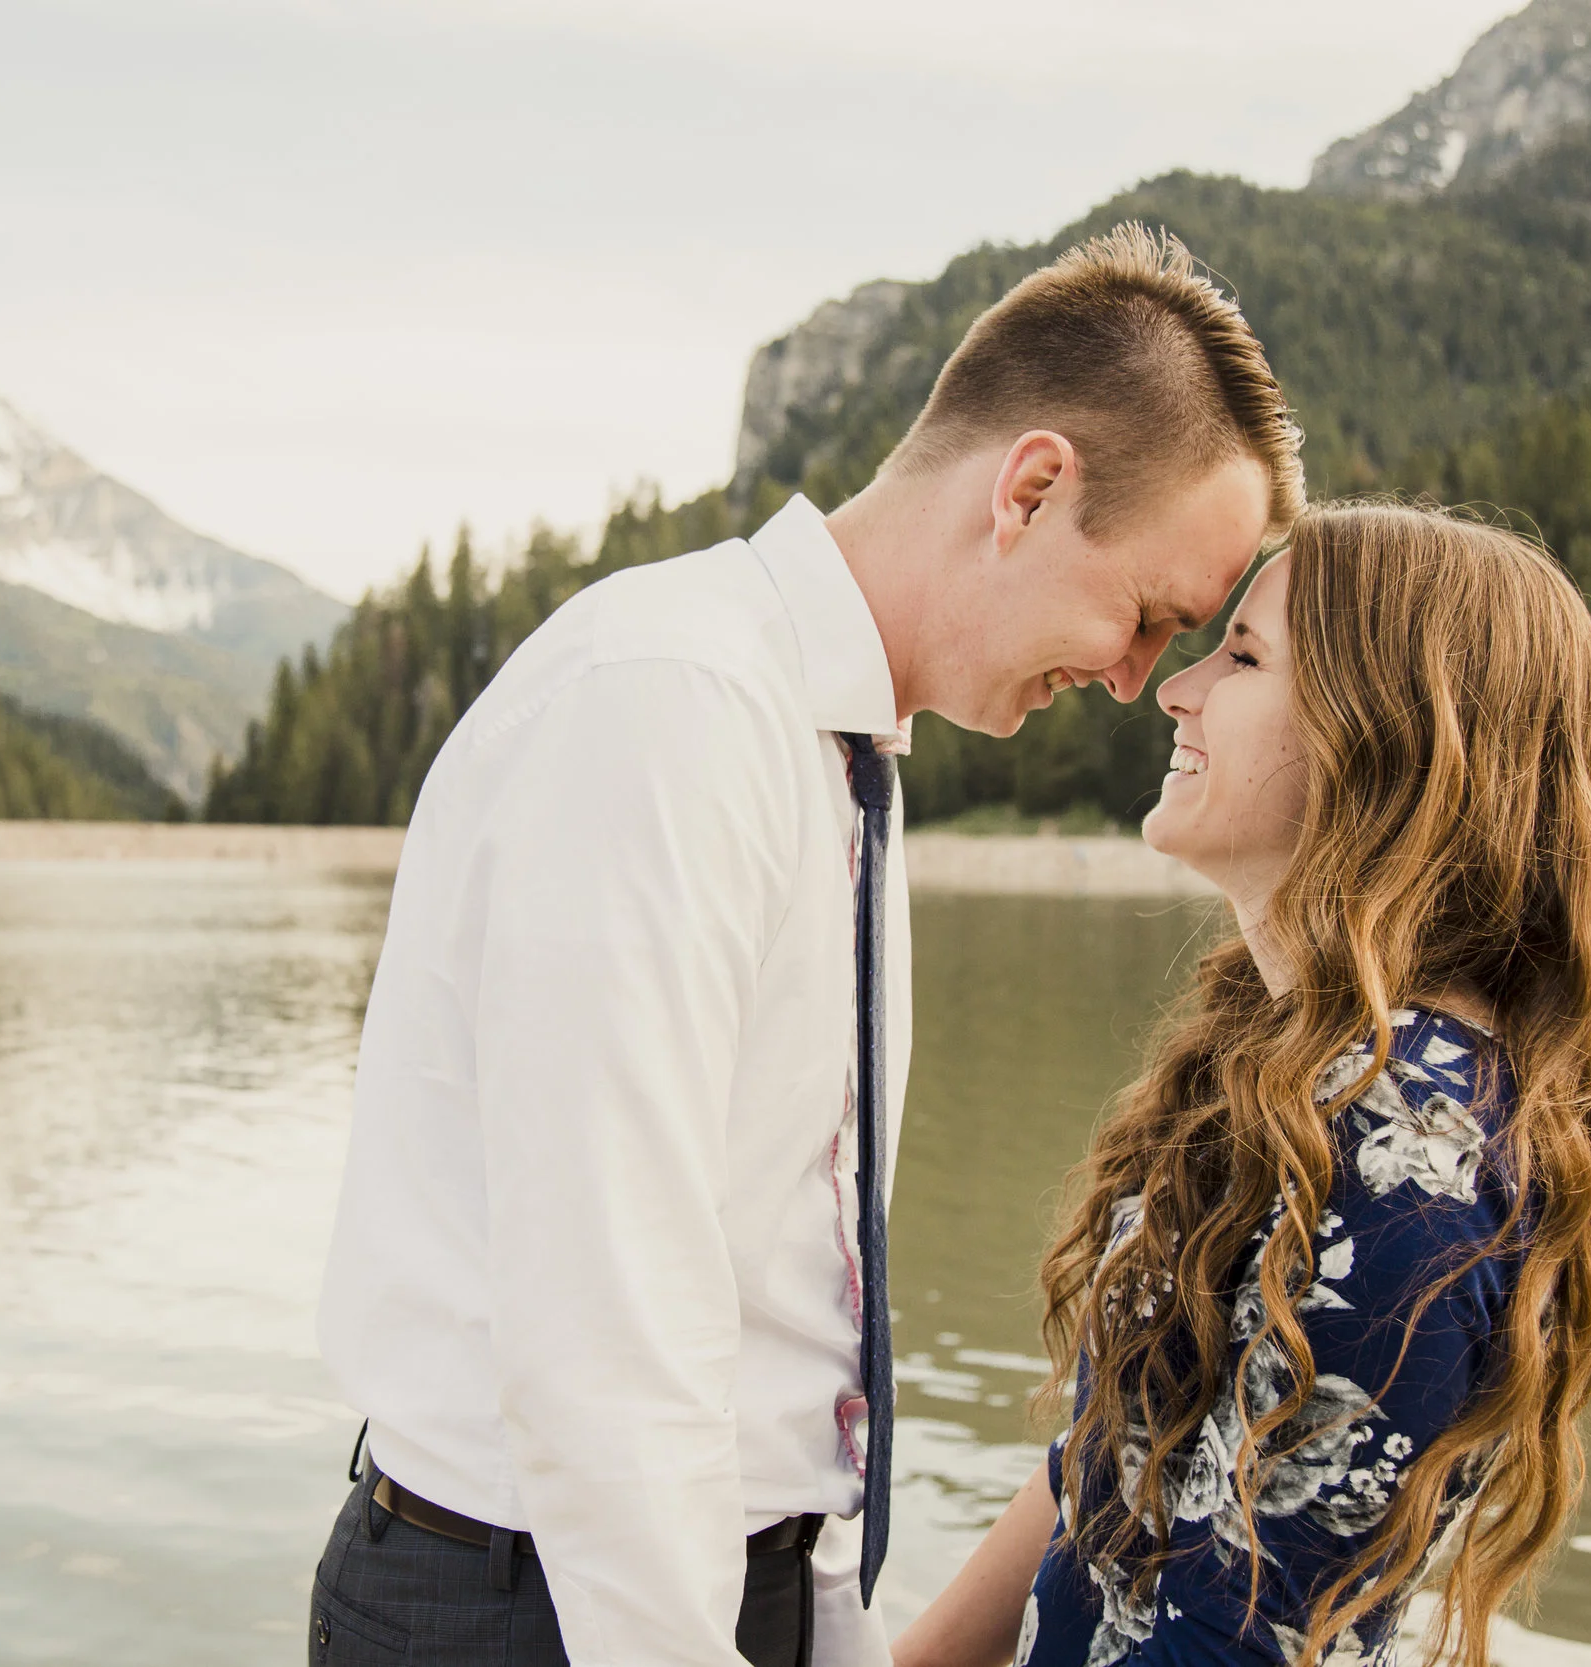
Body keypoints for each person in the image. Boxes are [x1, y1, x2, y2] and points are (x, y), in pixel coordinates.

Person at [308, 224, 1306, 1667]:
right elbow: (605, 1327)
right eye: (1146, 615)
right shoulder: (671, 704)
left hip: (707, 1584)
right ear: (1030, 488)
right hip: (538, 1610)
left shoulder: (834, 744)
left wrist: (828, 1616)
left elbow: (794, 1294)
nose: (1134, 678)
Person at [892, 503, 1591, 1667]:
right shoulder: (1293, 1062)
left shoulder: (1406, 1160)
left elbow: (1236, 1639)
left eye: (1243, 658)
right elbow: (1105, 1463)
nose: (1174, 690)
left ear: (1387, 737)